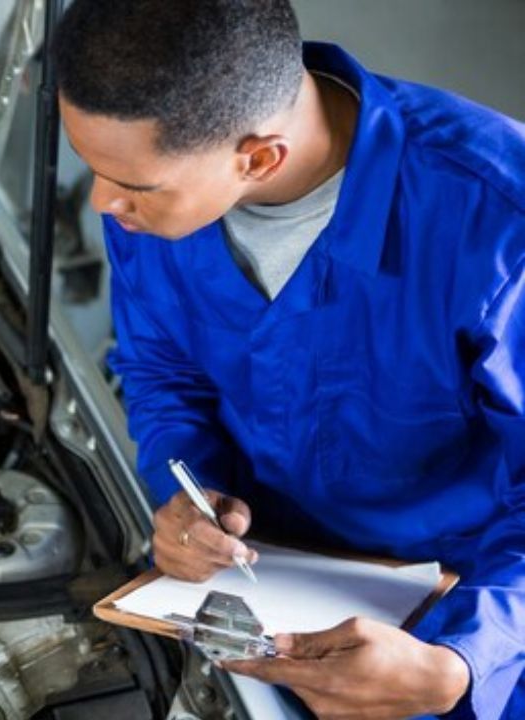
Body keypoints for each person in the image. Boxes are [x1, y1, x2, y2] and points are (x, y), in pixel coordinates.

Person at [53, 0, 525, 717]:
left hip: (470, 615)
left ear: (259, 157)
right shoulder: (152, 191)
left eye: (133, 186)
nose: (102, 202)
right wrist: (188, 495)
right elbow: (161, 373)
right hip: (259, 593)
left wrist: (462, 662)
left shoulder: (498, 223)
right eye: (93, 167)